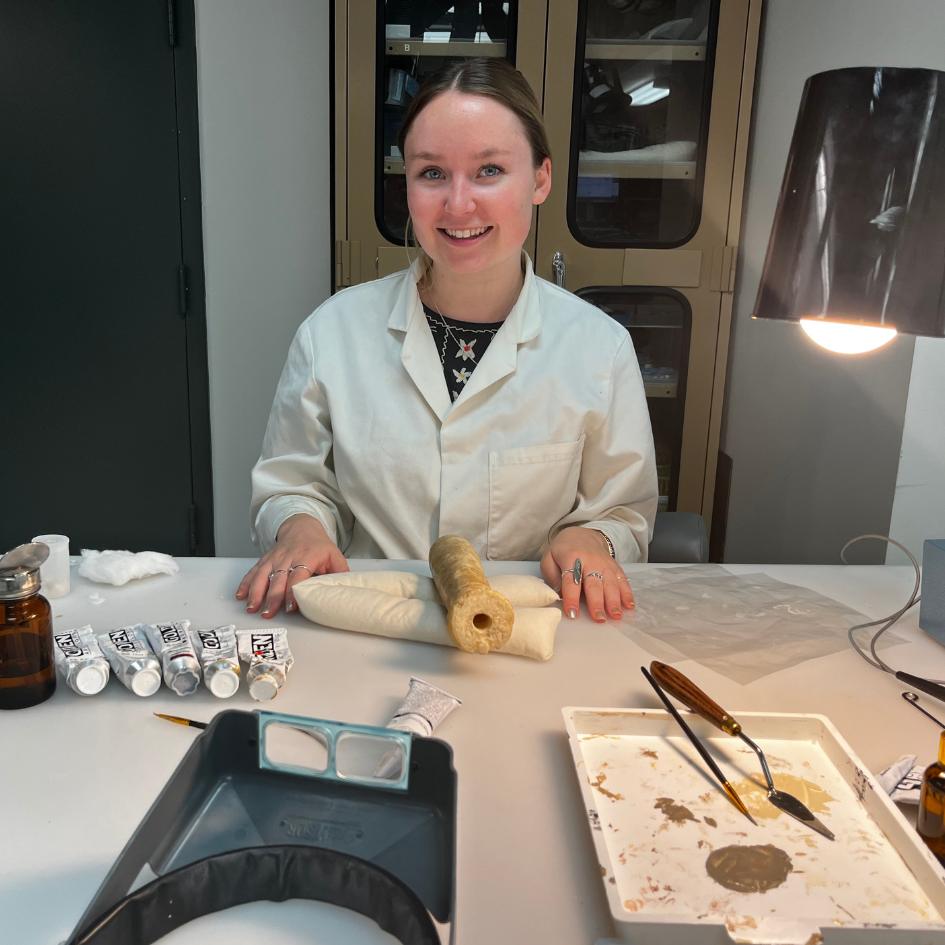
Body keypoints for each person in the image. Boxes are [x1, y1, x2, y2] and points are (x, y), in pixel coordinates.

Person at [237, 58, 658, 624]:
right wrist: (301, 527)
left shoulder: (599, 348)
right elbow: (292, 483)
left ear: (539, 179)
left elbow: (622, 512)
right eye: (432, 173)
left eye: (489, 171)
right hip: (371, 626)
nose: (458, 205)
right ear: (406, 182)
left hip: (527, 632)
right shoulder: (331, 334)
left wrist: (592, 539)